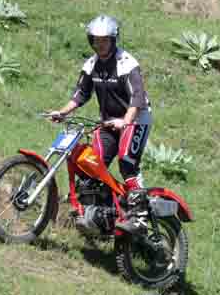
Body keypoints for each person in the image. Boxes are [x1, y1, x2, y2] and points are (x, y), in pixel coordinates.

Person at [49, 15, 152, 234]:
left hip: (136, 120)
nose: (100, 44)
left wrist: (125, 121)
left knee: (126, 162)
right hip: (108, 122)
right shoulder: (91, 64)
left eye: (105, 40)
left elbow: (138, 98)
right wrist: (62, 112)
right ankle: (106, 211)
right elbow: (80, 94)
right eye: (96, 40)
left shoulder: (127, 63)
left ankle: (141, 214)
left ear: (114, 40)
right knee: (93, 164)